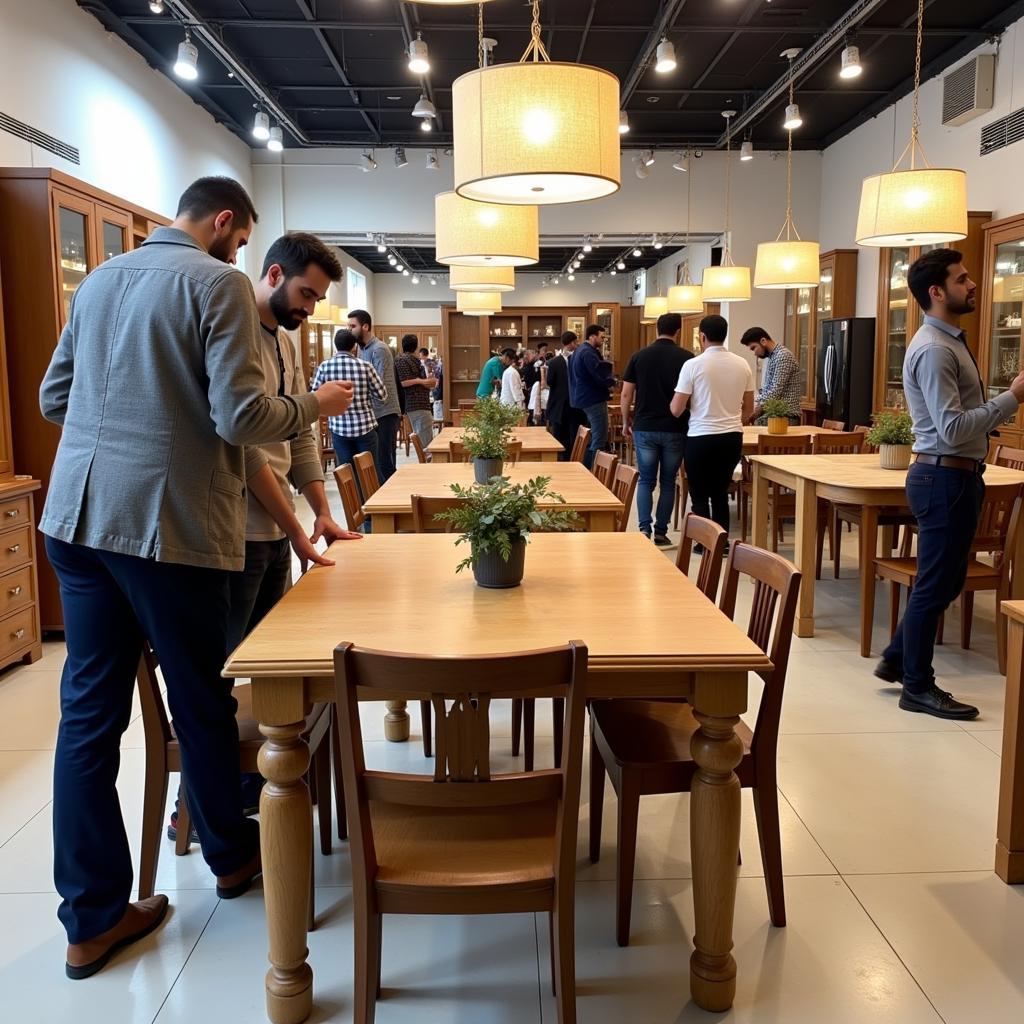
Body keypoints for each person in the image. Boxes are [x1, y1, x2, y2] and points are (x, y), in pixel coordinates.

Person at [38, 176, 354, 978]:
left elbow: (54, 398)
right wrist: (313, 405)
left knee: (87, 716)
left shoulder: (101, 276)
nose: (239, 253)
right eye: (242, 240)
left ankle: (91, 917)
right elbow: (243, 420)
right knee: (202, 697)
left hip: (75, 519)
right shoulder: (216, 285)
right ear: (223, 224)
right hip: (162, 526)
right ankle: (231, 859)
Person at [875, 248, 1024, 720]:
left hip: (950, 475)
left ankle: (899, 659)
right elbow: (954, 428)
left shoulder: (947, 341)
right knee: (937, 584)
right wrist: (1013, 398)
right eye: (962, 279)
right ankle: (916, 686)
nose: (973, 283)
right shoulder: (938, 348)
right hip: (944, 476)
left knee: (943, 580)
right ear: (936, 292)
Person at [670, 314, 753, 543]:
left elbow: (676, 409)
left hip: (701, 436)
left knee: (699, 494)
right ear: (725, 336)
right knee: (720, 493)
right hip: (732, 436)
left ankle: (704, 543)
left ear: (702, 336)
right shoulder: (742, 364)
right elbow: (748, 409)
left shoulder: (693, 365)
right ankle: (721, 542)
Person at [622, 312, 694, 545]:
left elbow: (626, 393)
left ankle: (644, 529)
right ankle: (662, 532)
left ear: (656, 329)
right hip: (676, 427)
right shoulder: (687, 358)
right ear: (678, 331)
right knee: (668, 481)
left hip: (645, 426)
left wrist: (625, 421)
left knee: (645, 480)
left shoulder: (639, 356)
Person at [313, 329, 388, 512]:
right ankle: (372, 514)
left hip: (339, 428)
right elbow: (382, 395)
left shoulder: (324, 367)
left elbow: (314, 396)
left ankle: (354, 513)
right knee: (370, 472)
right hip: (366, 426)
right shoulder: (365, 367)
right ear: (354, 346)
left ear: (335, 346)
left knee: (347, 474)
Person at [348, 309, 401, 482]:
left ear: (365, 326)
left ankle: (391, 505)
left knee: (385, 463)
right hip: (372, 414)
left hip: (384, 413)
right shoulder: (361, 349)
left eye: (352, 326)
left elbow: (381, 385)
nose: (349, 330)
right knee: (375, 464)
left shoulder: (379, 349)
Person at [569, 323, 615, 469]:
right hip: (593, 398)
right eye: (601, 337)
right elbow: (598, 375)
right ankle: (593, 471)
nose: (603, 340)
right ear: (592, 336)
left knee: (593, 436)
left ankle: (587, 467)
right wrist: (612, 381)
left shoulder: (579, 351)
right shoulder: (588, 352)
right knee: (599, 436)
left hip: (583, 397)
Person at [740, 327, 802, 424]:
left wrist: (756, 408)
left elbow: (775, 391)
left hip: (786, 417)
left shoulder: (783, 356)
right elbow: (768, 390)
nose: (754, 353)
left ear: (763, 341)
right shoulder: (773, 356)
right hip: (776, 416)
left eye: (753, 348)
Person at [396, 334, 437, 449]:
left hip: (420, 403)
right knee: (426, 443)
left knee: (425, 437)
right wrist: (421, 381)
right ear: (416, 346)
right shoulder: (402, 360)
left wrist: (426, 381)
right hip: (415, 403)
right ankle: (426, 465)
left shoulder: (414, 360)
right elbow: (404, 382)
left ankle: (426, 463)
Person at [545, 332, 578, 460]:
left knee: (559, 436)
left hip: (559, 405)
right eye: (575, 342)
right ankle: (571, 460)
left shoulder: (553, 362)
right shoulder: (578, 360)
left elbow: (549, 382)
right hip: (574, 404)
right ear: (571, 343)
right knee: (573, 435)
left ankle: (561, 460)